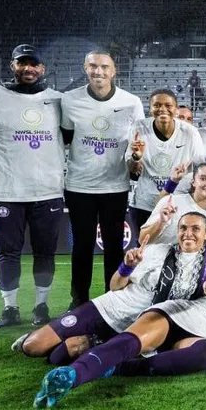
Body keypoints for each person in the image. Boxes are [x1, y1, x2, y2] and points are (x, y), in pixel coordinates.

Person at [29, 212, 206, 408]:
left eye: (195, 229)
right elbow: (115, 286)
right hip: (112, 309)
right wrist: (127, 266)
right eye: (183, 228)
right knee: (33, 347)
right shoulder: (156, 251)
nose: (188, 233)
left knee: (63, 353)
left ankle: (88, 347)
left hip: (142, 324)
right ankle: (83, 342)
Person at [0, 44, 65, 328]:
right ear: (12, 66)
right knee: (8, 252)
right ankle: (10, 308)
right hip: (7, 191)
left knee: (45, 253)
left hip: (48, 190)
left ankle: (41, 305)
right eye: (22, 63)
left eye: (33, 64)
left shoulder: (59, 100)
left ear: (42, 68)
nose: (28, 68)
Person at [61, 50, 145, 307]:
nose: (99, 71)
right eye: (93, 66)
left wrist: (135, 161)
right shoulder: (69, 100)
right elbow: (66, 138)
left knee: (114, 248)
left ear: (113, 70)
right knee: (82, 248)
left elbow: (138, 145)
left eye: (104, 67)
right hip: (79, 185)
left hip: (115, 186)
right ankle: (79, 300)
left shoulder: (131, 102)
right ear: (85, 68)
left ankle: (114, 299)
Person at [126, 89, 204, 241]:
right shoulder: (138, 128)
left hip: (177, 204)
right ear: (150, 107)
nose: (162, 109)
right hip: (145, 203)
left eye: (168, 105)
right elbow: (132, 171)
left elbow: (200, 170)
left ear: (176, 109)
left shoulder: (190, 132)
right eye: (157, 105)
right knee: (143, 252)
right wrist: (136, 157)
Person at [138, 163, 206, 248]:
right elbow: (142, 239)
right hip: (155, 259)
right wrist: (161, 222)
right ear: (193, 182)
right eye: (203, 179)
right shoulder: (171, 201)